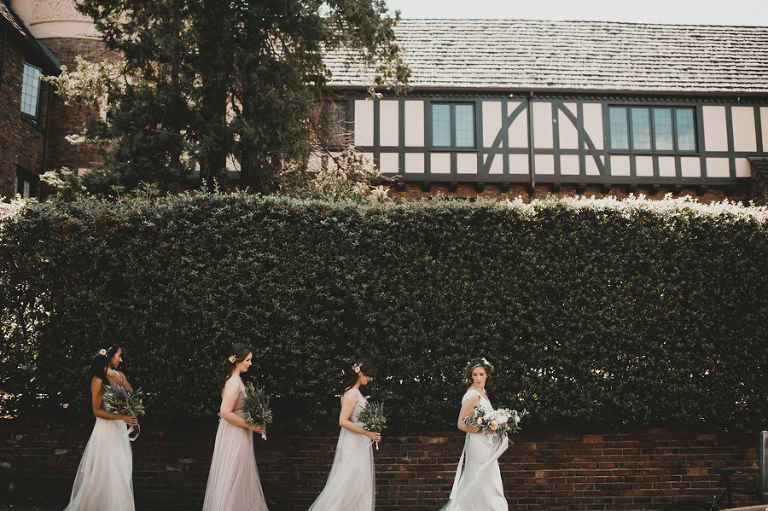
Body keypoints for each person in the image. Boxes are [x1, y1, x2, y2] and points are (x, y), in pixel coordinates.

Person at [64, 345, 138, 511]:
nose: (121, 359)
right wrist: (122, 417)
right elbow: (97, 411)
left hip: (119, 430)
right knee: (108, 472)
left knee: (122, 470)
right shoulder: (98, 380)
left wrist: (114, 375)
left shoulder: (119, 375)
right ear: (109, 356)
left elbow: (130, 392)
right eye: (119, 356)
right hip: (106, 431)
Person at [307, 358, 381, 511]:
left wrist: (372, 428)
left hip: (360, 443)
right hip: (353, 443)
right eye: (369, 375)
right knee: (347, 481)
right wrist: (367, 433)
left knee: (359, 483)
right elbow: (343, 421)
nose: (371, 379)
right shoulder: (351, 393)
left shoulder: (358, 393)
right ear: (360, 373)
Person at [202, 343, 269, 511]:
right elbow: (225, 412)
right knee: (233, 474)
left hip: (239, 432)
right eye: (247, 360)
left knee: (239, 474)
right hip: (234, 433)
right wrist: (252, 426)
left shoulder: (237, 380)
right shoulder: (233, 382)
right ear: (236, 360)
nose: (250, 363)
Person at [440, 358, 509, 511]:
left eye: (481, 374)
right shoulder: (472, 395)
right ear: (471, 376)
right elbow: (461, 424)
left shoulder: (482, 392)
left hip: (485, 443)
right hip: (478, 444)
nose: (478, 378)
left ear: (487, 375)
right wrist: (487, 429)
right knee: (481, 478)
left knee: (487, 479)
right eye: (475, 375)